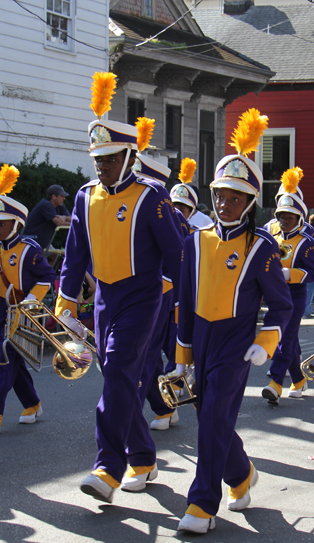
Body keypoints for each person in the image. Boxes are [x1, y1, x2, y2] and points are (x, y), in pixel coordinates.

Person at [55, 72, 184, 502]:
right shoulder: (84, 195)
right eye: (98, 159)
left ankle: (108, 467)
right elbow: (74, 253)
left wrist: (177, 304)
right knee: (117, 378)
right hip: (105, 299)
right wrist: (66, 304)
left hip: (144, 296)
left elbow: (177, 255)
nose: (103, 165)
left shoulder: (152, 196)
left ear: (131, 156)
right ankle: (144, 458)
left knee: (118, 378)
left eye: (111, 158)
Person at [174, 107, 292, 533]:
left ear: (250, 202)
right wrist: (182, 355)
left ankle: (203, 502)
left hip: (236, 342)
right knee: (212, 416)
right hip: (201, 337)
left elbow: (282, 305)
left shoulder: (262, 247)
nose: (225, 204)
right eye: (221, 195)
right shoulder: (195, 241)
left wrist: (265, 343)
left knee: (213, 418)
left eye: (236, 197)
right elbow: (185, 304)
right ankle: (241, 474)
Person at [0, 164, 56, 433]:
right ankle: (32, 403)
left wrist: (30, 300)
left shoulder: (29, 249)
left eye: (2, 223)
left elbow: (47, 277)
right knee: (15, 359)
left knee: (6, 356)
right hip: (0, 309)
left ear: (17, 223)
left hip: (23, 311)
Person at [129, 118, 191, 432]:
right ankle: (164, 408)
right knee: (147, 357)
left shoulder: (169, 212)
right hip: (131, 294)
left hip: (159, 295)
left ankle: (127, 419)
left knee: (143, 355)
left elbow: (178, 260)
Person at [261, 167, 314, 403]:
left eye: (289, 217)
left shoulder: (307, 241)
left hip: (295, 295)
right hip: (275, 295)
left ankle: (275, 381)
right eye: (281, 216)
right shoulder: (270, 232)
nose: (284, 221)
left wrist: (290, 273)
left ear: (300, 217)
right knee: (289, 338)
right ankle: (299, 379)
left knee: (285, 336)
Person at [170, 160, 214, 230]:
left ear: (191, 211)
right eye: (175, 210)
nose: (178, 214)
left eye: (182, 211)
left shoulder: (205, 221)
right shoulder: (167, 220)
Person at [24, 184, 70, 250]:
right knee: (54, 258)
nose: (64, 198)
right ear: (54, 196)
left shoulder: (60, 205)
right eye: (62, 196)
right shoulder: (45, 204)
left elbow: (72, 217)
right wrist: (74, 223)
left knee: (57, 258)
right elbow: (58, 222)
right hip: (31, 242)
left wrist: (65, 217)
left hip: (43, 244)